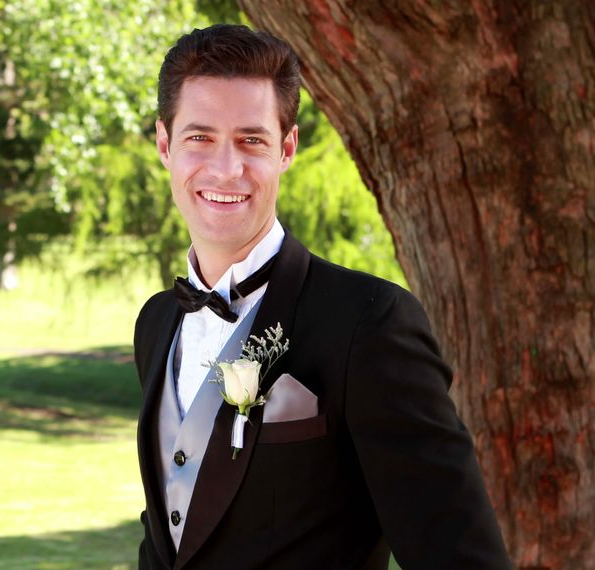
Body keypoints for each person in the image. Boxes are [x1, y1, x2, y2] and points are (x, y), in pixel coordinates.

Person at [134, 24, 511, 569]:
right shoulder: (156, 324)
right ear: (165, 144)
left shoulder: (371, 323)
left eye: (251, 140)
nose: (225, 167)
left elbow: (460, 556)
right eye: (200, 138)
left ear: (286, 148)